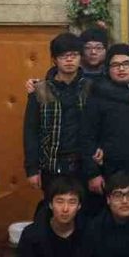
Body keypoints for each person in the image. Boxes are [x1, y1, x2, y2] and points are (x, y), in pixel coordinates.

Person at [80, 44, 129, 216]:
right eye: (115, 65)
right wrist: (93, 173)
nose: (121, 69)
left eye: (126, 64)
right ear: (108, 69)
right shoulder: (97, 96)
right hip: (108, 171)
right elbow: (86, 136)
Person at [23, 32, 92, 197]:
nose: (69, 60)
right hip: (51, 165)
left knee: (83, 208)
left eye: (74, 55)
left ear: (81, 58)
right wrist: (32, 169)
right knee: (54, 206)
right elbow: (31, 131)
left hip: (84, 164)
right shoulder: (40, 90)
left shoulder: (90, 87)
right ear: (54, 60)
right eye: (63, 56)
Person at [13, 175, 85, 257]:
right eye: (59, 201)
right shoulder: (32, 234)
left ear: (79, 206)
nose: (65, 209)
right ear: (51, 204)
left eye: (72, 202)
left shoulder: (87, 232)